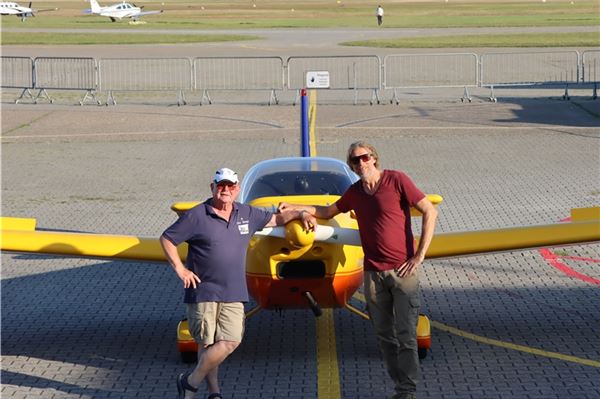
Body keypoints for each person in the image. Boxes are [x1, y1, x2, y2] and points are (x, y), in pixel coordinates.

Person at [278, 141, 437, 399]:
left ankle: (407, 390)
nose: (360, 163)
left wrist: (419, 256)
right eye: (354, 161)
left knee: (407, 335)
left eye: (364, 158)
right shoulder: (355, 192)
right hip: (373, 274)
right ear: (351, 166)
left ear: (374, 157)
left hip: (403, 271)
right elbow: (328, 211)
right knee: (385, 337)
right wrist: (298, 211)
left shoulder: (397, 180)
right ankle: (401, 385)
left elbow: (430, 210)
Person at [160, 167, 316, 399]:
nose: (225, 190)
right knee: (206, 343)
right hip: (203, 290)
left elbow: (278, 218)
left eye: (230, 186)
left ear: (237, 190)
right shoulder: (197, 215)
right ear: (212, 188)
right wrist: (180, 269)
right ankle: (214, 393)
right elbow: (167, 238)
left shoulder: (247, 213)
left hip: (234, 291)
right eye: (221, 186)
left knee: (230, 341)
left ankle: (189, 381)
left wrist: (302, 213)